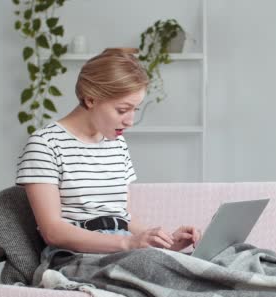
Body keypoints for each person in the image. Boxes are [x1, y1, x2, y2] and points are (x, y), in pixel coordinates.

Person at [15, 48, 200, 254]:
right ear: (91, 99)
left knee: (222, 257)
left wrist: (168, 243)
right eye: (122, 110)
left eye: (134, 110)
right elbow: (53, 232)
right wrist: (128, 244)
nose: (130, 121)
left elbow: (123, 219)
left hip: (121, 251)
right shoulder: (45, 144)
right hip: (75, 256)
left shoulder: (117, 144)